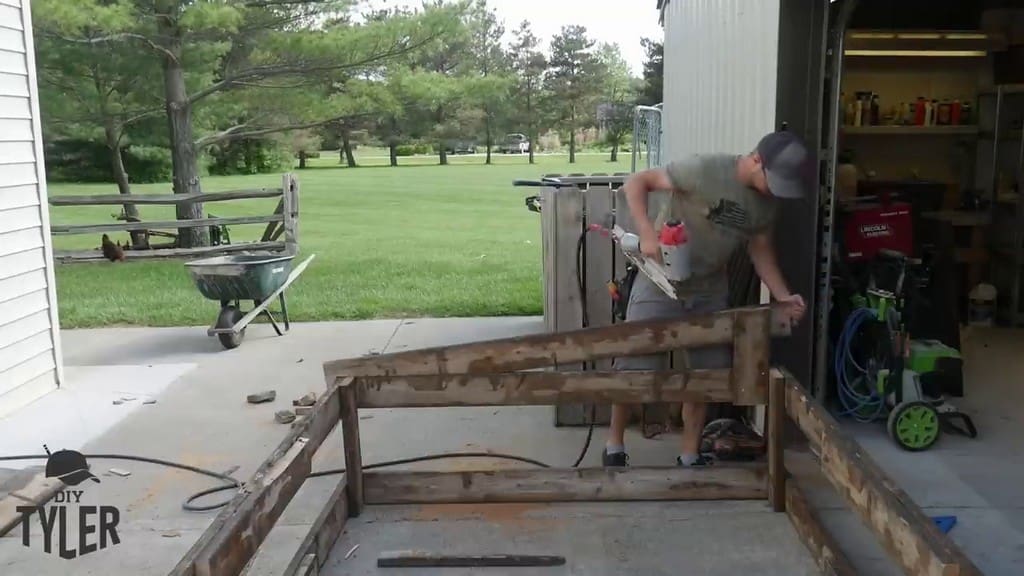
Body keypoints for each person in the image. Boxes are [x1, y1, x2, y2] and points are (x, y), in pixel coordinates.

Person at [603, 129, 811, 468]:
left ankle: (689, 453)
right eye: (773, 181)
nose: (776, 191)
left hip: (709, 290)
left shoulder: (766, 207)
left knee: (708, 375)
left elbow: (761, 251)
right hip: (661, 280)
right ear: (757, 160)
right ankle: (614, 446)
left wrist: (784, 296)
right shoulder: (704, 169)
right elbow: (637, 182)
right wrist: (645, 233)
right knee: (634, 364)